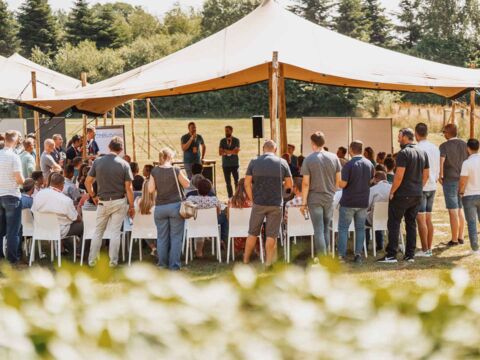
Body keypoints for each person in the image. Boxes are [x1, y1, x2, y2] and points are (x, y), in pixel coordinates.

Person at [378, 128, 429, 264]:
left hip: (402, 194)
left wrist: (392, 191)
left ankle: (391, 255)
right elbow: (426, 175)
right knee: (411, 224)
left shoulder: (403, 153)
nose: (398, 139)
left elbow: (399, 176)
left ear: (406, 137)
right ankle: (410, 255)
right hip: (417, 194)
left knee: (394, 223)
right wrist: (418, 188)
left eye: (399, 137)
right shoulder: (423, 152)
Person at [85, 137, 135, 267]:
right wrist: (131, 205)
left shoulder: (98, 162)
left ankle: (92, 261)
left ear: (109, 146)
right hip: (119, 201)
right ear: (121, 149)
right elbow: (128, 188)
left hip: (102, 201)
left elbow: (87, 182)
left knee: (98, 232)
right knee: (115, 232)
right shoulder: (124, 164)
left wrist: (93, 195)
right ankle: (113, 262)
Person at [244, 140, 293, 266]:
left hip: (258, 202)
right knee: (272, 235)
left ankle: (245, 260)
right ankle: (268, 263)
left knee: (252, 232)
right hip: (275, 203)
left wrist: (252, 198)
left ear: (263, 149)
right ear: (275, 150)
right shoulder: (282, 163)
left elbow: (246, 183)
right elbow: (289, 185)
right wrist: (283, 193)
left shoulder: (254, 161)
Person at [148, 148, 190, 270]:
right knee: (176, 237)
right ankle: (174, 265)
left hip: (160, 207)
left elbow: (150, 190)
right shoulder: (176, 170)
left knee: (161, 237)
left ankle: (162, 264)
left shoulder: (154, 171)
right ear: (170, 157)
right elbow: (187, 184)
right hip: (175, 206)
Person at [300, 132, 341, 255]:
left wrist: (303, 203)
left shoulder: (308, 159)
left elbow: (306, 184)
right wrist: (331, 191)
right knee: (325, 229)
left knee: (318, 230)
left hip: (314, 198)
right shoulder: (334, 157)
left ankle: (322, 259)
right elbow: (338, 181)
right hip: (329, 197)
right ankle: (326, 257)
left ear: (313, 144)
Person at [338, 141, 374, 263]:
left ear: (351, 150)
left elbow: (343, 184)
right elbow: (371, 180)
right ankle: (358, 254)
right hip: (363, 201)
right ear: (362, 150)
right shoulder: (369, 164)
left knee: (343, 228)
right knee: (360, 229)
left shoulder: (348, 165)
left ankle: (341, 256)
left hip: (348, 201)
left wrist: (337, 180)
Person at [32, 173, 84, 244]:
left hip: (41, 228)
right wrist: (79, 215)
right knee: (84, 225)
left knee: (66, 222)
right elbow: (75, 218)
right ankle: (80, 252)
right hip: (59, 230)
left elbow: (33, 211)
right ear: (63, 185)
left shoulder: (39, 194)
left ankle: (66, 247)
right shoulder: (65, 200)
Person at [439, 123, 468, 246]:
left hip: (450, 180)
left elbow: (442, 160)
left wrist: (441, 175)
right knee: (460, 208)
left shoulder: (444, 146)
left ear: (447, 132)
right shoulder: (464, 144)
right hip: (463, 180)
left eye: (444, 132)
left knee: (452, 210)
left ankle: (454, 239)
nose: (443, 134)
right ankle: (461, 237)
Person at [415, 123, 440, 257]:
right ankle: (429, 248)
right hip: (433, 186)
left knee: (421, 220)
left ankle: (424, 250)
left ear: (416, 133)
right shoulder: (435, 148)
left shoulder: (418, 148)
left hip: (422, 186)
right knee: (428, 219)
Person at [0, 131, 25, 264]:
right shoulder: (14, 157)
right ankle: (12, 259)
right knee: (12, 231)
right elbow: (20, 179)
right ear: (15, 141)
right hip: (12, 196)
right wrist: (26, 180)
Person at [188, 178, 228, 258]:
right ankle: (222, 239)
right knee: (223, 216)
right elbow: (218, 212)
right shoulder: (214, 200)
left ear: (198, 189)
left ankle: (198, 251)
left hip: (195, 224)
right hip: (211, 224)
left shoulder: (191, 199)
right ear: (210, 189)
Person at [459, 139, 480, 254]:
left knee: (472, 223)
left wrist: (461, 192)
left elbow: (463, 181)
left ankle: (475, 248)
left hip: (469, 195)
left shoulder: (467, 163)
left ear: (468, 148)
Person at [365, 171, 391, 251]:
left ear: (375, 179)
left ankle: (365, 245)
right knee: (378, 216)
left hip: (375, 218)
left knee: (363, 219)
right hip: (390, 219)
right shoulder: (392, 187)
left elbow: (367, 205)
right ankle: (380, 244)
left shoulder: (373, 189)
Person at [228, 178, 253, 256]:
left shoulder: (231, 201)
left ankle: (239, 249)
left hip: (236, 230)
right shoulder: (253, 201)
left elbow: (229, 219)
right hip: (251, 231)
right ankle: (254, 249)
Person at [135, 180, 157, 256]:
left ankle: (154, 248)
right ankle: (158, 248)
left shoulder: (137, 202)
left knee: (143, 229)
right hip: (156, 230)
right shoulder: (158, 203)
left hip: (141, 230)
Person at [219, 125, 240, 198]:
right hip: (226, 164)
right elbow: (220, 153)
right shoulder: (222, 141)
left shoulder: (236, 140)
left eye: (227, 130)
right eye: (225, 130)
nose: (226, 132)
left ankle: (237, 197)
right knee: (228, 182)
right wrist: (231, 151)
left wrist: (225, 151)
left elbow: (236, 152)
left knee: (236, 181)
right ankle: (230, 197)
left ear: (231, 131)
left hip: (234, 164)